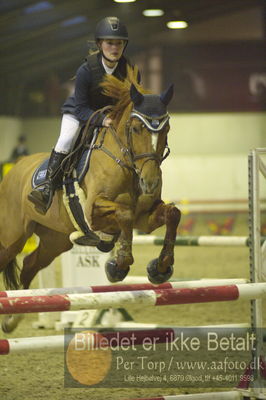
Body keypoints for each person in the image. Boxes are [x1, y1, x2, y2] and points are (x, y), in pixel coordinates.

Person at [28, 16, 139, 215]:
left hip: (111, 118)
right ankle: (46, 187)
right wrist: (101, 120)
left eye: (119, 43)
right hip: (80, 113)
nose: (115, 48)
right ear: (99, 44)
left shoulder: (130, 71)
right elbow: (81, 108)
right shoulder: (86, 70)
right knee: (67, 139)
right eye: (110, 43)